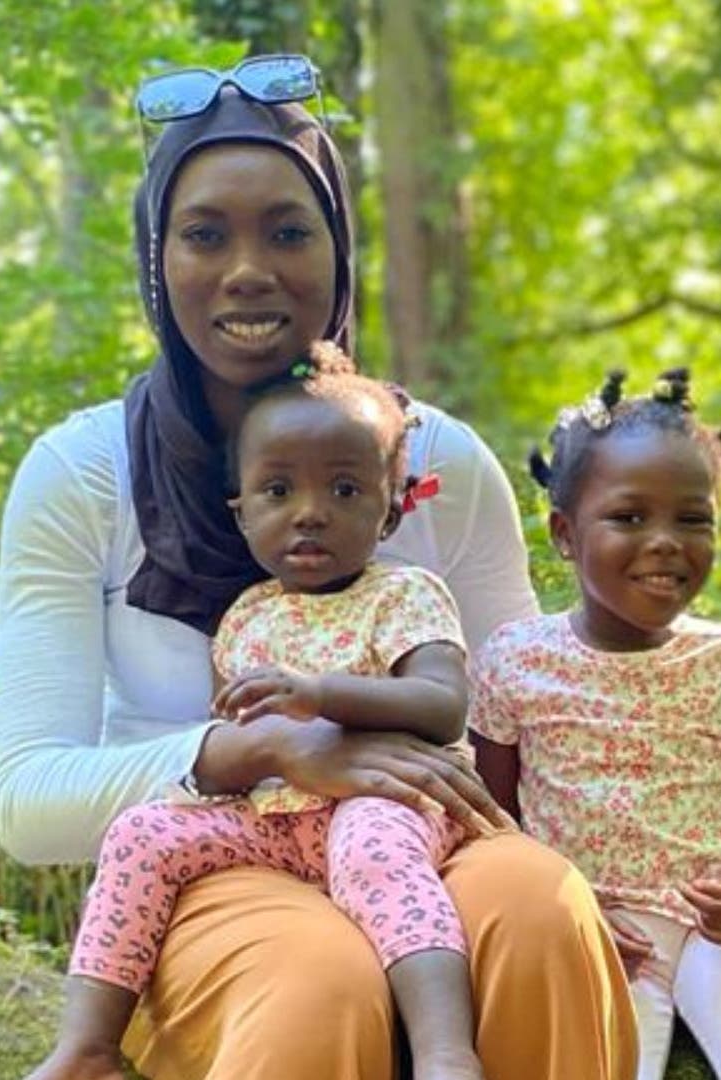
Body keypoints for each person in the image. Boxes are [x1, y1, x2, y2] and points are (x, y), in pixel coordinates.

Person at [0, 63, 640, 1079]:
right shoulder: (83, 474)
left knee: (541, 909)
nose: (249, 269)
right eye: (205, 235)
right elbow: (28, 803)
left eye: (289, 231)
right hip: (214, 867)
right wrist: (272, 750)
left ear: (340, 252)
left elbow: (537, 727)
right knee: (315, 979)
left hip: (427, 835)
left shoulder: (436, 461)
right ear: (157, 259)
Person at [25, 342, 489, 1080]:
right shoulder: (246, 618)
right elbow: (242, 740)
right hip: (275, 823)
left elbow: (441, 704)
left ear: (391, 510)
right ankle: (86, 1045)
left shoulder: (406, 595)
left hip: (384, 803)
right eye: (278, 492)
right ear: (241, 513)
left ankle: (443, 1052)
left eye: (343, 491)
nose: (309, 514)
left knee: (374, 850)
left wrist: (319, 695)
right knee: (143, 832)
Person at [470, 370, 721, 1080]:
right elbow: (493, 820)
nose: (667, 542)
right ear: (565, 535)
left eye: (693, 519)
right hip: (595, 936)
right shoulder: (515, 662)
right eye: (630, 517)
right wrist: (563, 914)